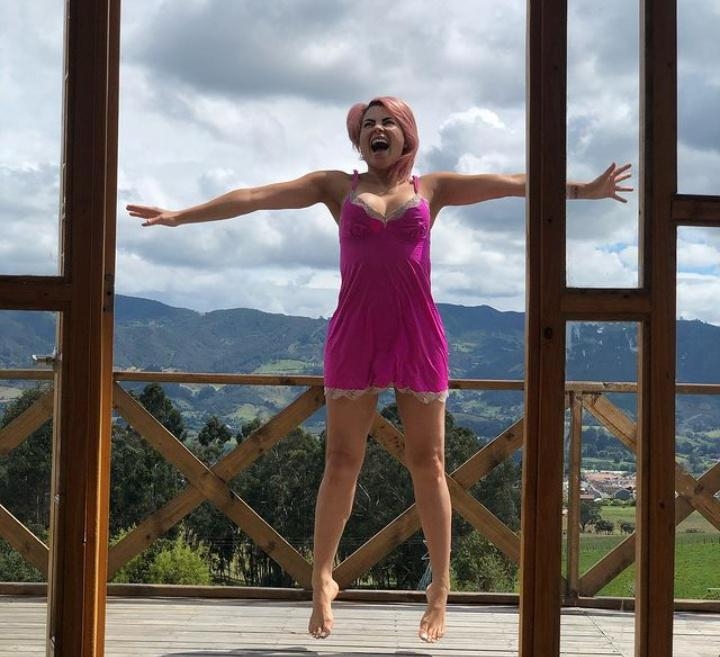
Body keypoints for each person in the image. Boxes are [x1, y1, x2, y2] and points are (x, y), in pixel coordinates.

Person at [127, 96, 632, 643]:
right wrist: (180, 215)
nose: (377, 128)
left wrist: (585, 191)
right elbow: (254, 197)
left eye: (387, 121)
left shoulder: (432, 189)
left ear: (406, 133)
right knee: (341, 460)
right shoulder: (335, 187)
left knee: (429, 463)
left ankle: (440, 587)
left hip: (418, 332)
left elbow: (514, 183)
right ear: (360, 140)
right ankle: (322, 576)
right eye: (368, 124)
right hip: (355, 331)